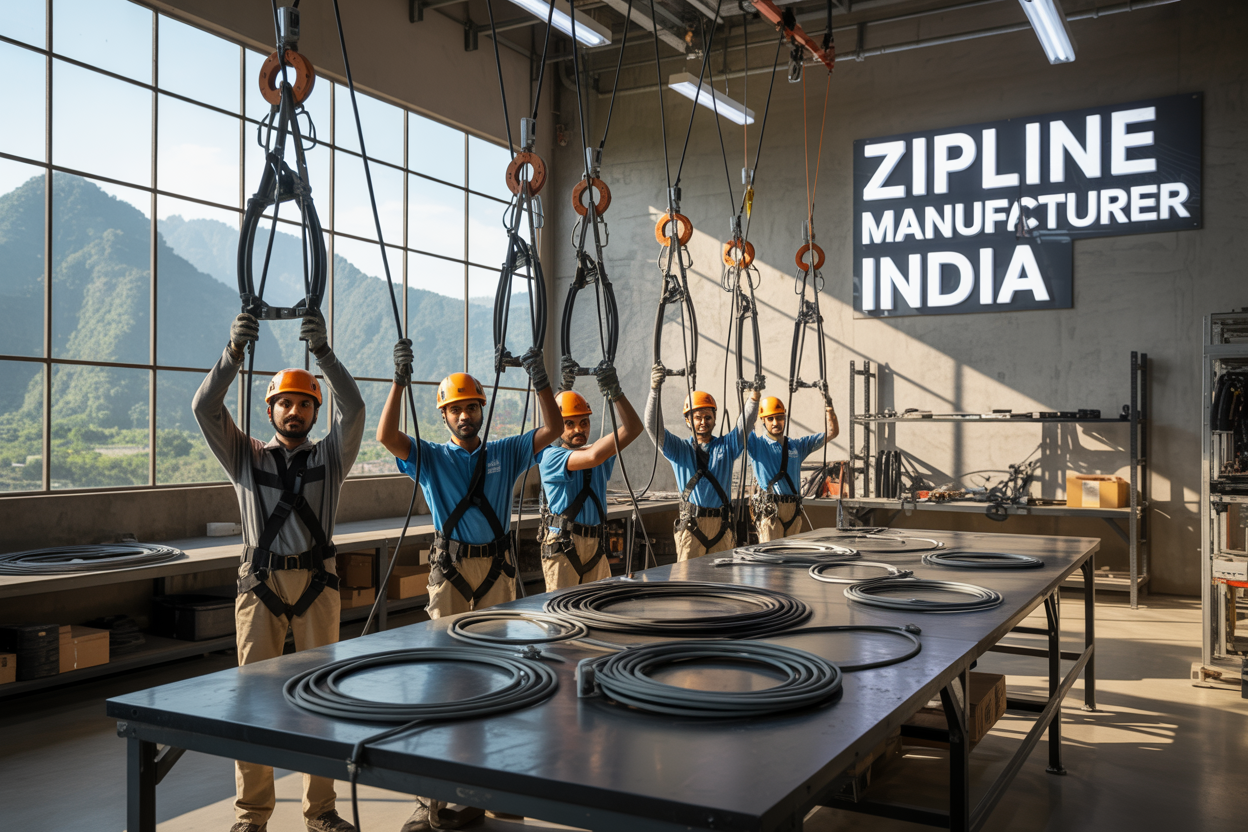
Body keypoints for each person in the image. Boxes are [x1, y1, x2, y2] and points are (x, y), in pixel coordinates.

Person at [376, 339, 559, 832]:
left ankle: (497, 793)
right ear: (444, 416)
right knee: (444, 684)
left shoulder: (505, 450)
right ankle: (430, 799)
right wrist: (399, 380)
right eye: (454, 410)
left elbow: (555, 429)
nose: (463, 416)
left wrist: (540, 380)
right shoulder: (432, 459)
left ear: (482, 410)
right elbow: (386, 434)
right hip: (453, 573)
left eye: (470, 407)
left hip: (496, 573)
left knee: (501, 680)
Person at [193, 310, 363, 832]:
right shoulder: (245, 457)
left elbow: (354, 408)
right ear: (270, 410)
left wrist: (325, 357)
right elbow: (204, 406)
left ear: (315, 413)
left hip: (317, 585)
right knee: (254, 703)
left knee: (324, 699)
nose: (294, 410)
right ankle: (252, 814)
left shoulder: (332, 458)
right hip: (261, 585)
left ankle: (322, 811)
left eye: (305, 403)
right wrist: (231, 354)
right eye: (285, 402)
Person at [536, 362, 643, 590]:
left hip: (596, 544)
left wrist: (616, 393)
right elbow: (593, 457)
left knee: (597, 610)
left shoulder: (598, 451)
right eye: (569, 424)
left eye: (584, 422)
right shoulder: (550, 457)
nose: (578, 429)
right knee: (562, 616)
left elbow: (634, 428)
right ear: (558, 426)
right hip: (564, 545)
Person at [645, 362, 759, 561]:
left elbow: (745, 424)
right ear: (688, 420)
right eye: (697, 417)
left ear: (715, 419)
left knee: (722, 583)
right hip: (691, 527)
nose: (703, 421)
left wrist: (755, 397)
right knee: (688, 584)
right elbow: (653, 427)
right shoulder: (679, 450)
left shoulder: (727, 446)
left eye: (708, 416)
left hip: (722, 528)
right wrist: (654, 390)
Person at [748, 394, 840, 541]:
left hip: (793, 509)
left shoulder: (796, 446)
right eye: (770, 418)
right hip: (771, 511)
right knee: (771, 557)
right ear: (763, 421)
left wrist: (829, 406)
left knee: (791, 557)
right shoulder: (757, 446)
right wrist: (753, 398)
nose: (775, 422)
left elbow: (832, 432)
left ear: (785, 419)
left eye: (779, 418)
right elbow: (743, 429)